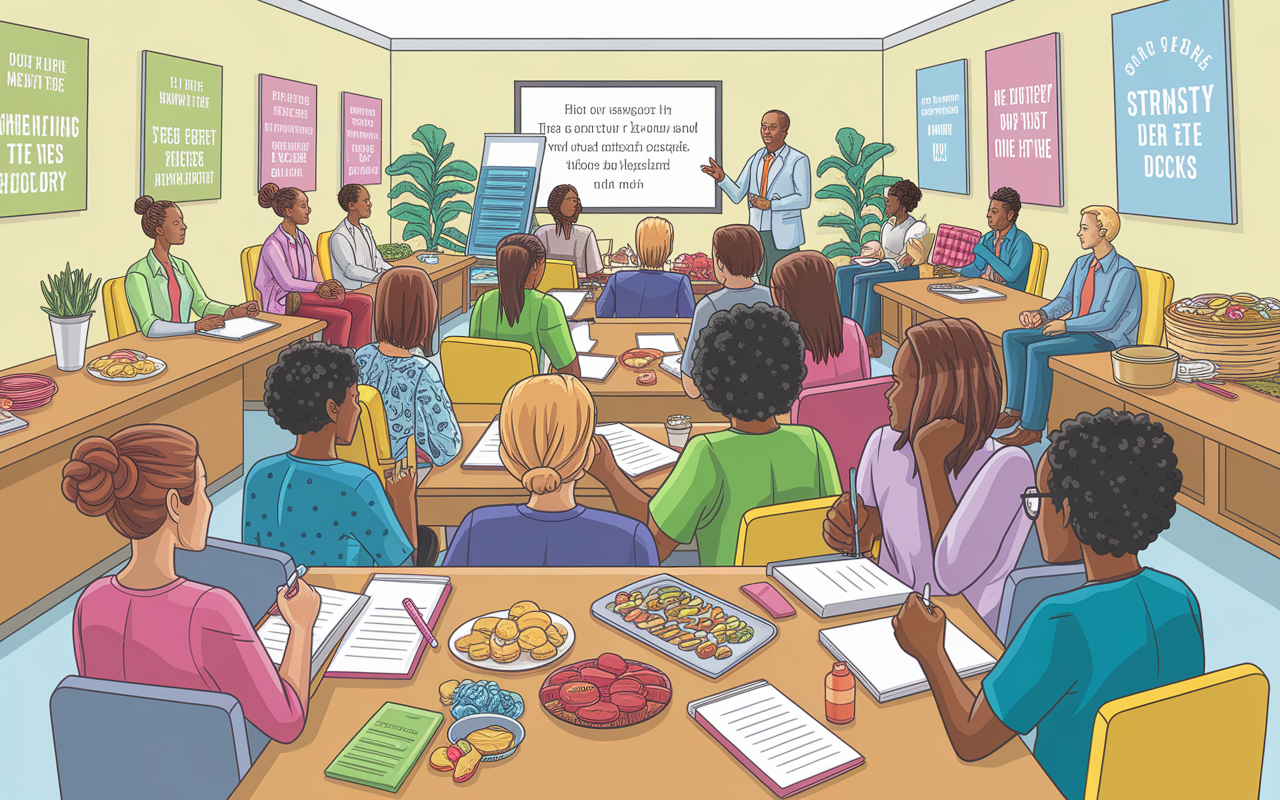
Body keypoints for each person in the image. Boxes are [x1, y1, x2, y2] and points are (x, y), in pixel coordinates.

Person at [889, 409, 1203, 800]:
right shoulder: (1180, 599)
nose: (1033, 516)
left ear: (1067, 509)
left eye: (1037, 501)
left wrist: (930, 651)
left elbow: (971, 739)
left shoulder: (1061, 621)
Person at [63, 424, 319, 744]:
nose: (209, 505)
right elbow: (288, 723)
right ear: (174, 504)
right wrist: (302, 628)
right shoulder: (211, 609)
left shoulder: (91, 601)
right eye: (202, 490)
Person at [820, 318, 1034, 630]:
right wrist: (852, 528)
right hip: (888, 618)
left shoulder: (1009, 465)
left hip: (961, 637)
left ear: (935, 394)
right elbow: (877, 532)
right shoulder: (883, 443)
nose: (887, 394)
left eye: (897, 383)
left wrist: (930, 462)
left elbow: (950, 575)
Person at [594, 304, 840, 566]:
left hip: (732, 597)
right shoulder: (814, 443)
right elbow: (835, 537)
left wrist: (609, 473)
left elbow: (654, 545)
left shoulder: (708, 452)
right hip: (802, 594)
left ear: (712, 377)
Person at [441, 375, 659, 567]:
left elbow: (447, 595)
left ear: (506, 457)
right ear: (589, 455)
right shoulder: (633, 537)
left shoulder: (476, 528)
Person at [244, 341, 419, 567]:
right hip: (346, 598)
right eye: (354, 399)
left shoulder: (259, 475)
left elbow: (254, 563)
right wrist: (403, 500)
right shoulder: (358, 483)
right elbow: (405, 571)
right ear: (332, 408)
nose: (357, 409)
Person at [997, 205, 1140, 447]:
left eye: (1085, 228)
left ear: (1103, 231)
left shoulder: (1124, 271)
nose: (1079, 233)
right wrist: (1041, 314)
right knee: (1013, 337)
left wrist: (1065, 325)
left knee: (1038, 350)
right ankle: (1014, 410)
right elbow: (1064, 300)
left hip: (1106, 339)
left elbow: (1107, 318)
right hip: (1077, 329)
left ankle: (1032, 427)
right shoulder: (1082, 264)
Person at [355, 267, 461, 472]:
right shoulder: (422, 371)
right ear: (426, 314)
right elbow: (448, 447)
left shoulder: (362, 356)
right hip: (405, 471)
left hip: (363, 465)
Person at [255, 183, 374, 349]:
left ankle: (361, 358)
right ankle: (336, 367)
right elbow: (287, 283)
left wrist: (327, 287)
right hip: (285, 304)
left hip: (306, 297)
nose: (308, 210)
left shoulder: (302, 239)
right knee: (342, 316)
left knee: (364, 302)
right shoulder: (272, 245)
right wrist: (320, 287)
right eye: (303, 206)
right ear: (288, 212)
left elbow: (311, 274)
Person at [701, 110, 811, 286]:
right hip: (757, 233)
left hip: (783, 235)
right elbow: (737, 194)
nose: (766, 131)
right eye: (763, 127)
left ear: (785, 130)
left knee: (782, 283)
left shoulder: (798, 160)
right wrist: (722, 179)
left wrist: (771, 205)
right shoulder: (756, 158)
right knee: (759, 282)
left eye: (772, 127)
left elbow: (803, 198)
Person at [125, 196, 259, 337]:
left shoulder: (182, 266)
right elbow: (150, 326)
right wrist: (195, 326)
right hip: (156, 348)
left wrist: (232, 311)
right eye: (176, 223)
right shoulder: (138, 274)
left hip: (184, 340)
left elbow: (201, 304)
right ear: (159, 230)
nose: (184, 227)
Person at [836, 179, 929, 357]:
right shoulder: (887, 225)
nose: (885, 204)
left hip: (905, 271)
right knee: (843, 273)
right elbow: (885, 253)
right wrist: (867, 258)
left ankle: (865, 339)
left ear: (901, 204)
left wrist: (910, 255)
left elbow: (914, 256)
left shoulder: (915, 227)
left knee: (864, 281)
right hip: (887, 265)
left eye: (889, 201)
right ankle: (844, 328)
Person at [679, 224, 774, 399]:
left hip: (722, 402)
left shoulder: (708, 306)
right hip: (766, 401)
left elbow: (692, 388)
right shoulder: (774, 298)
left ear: (721, 264)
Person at [470, 233, 581, 377]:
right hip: (531, 395)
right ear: (536, 265)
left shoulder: (483, 301)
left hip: (488, 393)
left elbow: (474, 356)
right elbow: (571, 372)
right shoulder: (546, 306)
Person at [770, 251, 870, 390]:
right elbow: (866, 381)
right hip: (853, 408)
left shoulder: (780, 344)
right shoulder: (853, 329)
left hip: (805, 411)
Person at [596, 216, 694, 318]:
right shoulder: (681, 282)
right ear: (669, 247)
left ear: (638, 245)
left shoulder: (617, 280)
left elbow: (601, 314)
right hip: (664, 333)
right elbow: (688, 321)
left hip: (625, 334)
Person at [956, 186, 1034, 290]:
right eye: (989, 211)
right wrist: (954, 270)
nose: (988, 215)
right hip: (984, 290)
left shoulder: (1022, 242)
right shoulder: (987, 238)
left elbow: (1010, 276)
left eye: (994, 211)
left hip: (1010, 296)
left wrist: (984, 252)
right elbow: (976, 270)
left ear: (1010, 215)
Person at [533, 184, 606, 281]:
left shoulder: (586, 234)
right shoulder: (542, 233)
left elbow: (595, 273)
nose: (575, 204)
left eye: (576, 200)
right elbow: (534, 270)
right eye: (570, 199)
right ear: (557, 203)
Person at [329, 184, 394, 290]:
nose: (369, 204)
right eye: (365, 201)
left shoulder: (366, 230)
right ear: (352, 206)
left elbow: (377, 260)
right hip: (353, 291)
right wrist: (378, 277)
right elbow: (350, 269)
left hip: (371, 285)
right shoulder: (339, 235)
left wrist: (394, 272)